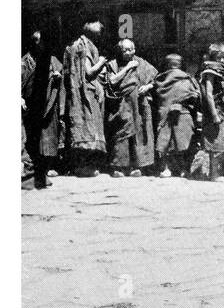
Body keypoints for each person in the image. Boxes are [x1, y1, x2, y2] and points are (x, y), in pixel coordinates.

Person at [104, 40, 157, 177]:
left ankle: (137, 166)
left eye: (130, 50)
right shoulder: (113, 64)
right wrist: (128, 67)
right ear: (119, 51)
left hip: (139, 103)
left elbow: (155, 80)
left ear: (135, 50)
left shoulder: (142, 63)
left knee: (138, 134)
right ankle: (119, 168)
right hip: (122, 104)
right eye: (124, 50)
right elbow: (113, 81)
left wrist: (147, 87)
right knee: (121, 133)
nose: (128, 53)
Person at [63, 21, 109, 177]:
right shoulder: (84, 46)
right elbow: (89, 73)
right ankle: (83, 166)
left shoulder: (77, 45)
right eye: (98, 25)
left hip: (80, 93)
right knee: (87, 128)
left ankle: (83, 165)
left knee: (85, 128)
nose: (101, 29)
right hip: (85, 95)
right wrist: (102, 61)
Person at [21, 31, 64, 189]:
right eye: (37, 42)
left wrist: (58, 76)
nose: (40, 45)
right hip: (31, 106)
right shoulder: (25, 62)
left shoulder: (51, 59)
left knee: (49, 134)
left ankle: (48, 167)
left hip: (49, 104)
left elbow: (61, 72)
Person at [194, 44, 224, 182]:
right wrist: (214, 114)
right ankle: (214, 174)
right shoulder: (210, 71)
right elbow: (208, 94)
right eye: (220, 57)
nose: (223, 59)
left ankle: (220, 171)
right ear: (214, 56)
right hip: (217, 112)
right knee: (216, 143)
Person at [153, 53, 201, 177]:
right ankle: (183, 169)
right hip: (183, 114)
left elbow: (156, 96)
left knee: (165, 142)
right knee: (183, 143)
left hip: (165, 114)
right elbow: (196, 97)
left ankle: (166, 169)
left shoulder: (160, 80)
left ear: (167, 65)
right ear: (181, 64)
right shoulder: (188, 79)